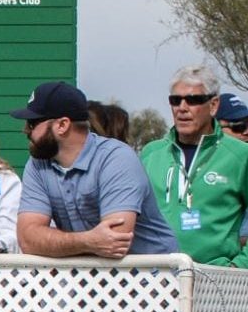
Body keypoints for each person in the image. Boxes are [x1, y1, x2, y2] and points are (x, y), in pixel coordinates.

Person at [10, 81, 179, 259]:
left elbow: (114, 241)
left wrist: (56, 241)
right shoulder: (38, 163)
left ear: (62, 125)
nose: (25, 131)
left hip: (155, 279)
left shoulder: (117, 159)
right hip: (94, 280)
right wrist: (88, 241)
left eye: (32, 123)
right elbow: (28, 239)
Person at [140, 65, 248, 269]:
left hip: (216, 279)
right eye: (175, 100)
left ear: (213, 105)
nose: (182, 107)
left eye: (194, 100)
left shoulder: (242, 155)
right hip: (155, 279)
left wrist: (242, 263)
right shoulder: (151, 153)